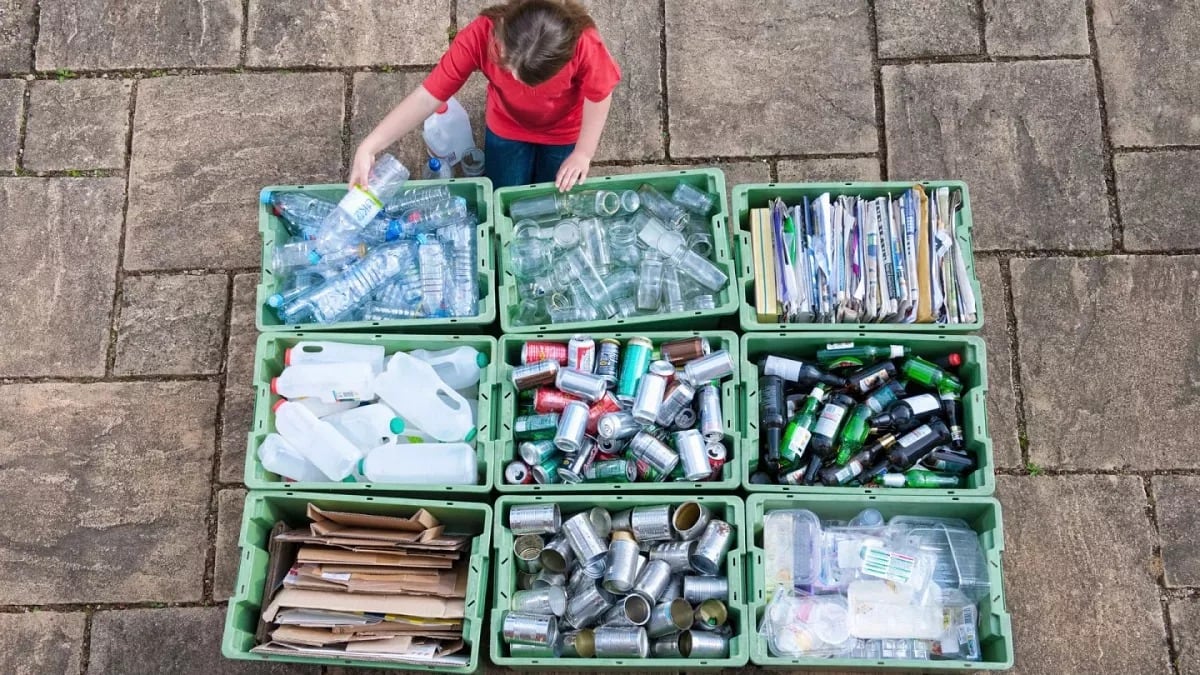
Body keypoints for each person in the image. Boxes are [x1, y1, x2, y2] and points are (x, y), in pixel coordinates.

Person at [349, 0, 621, 192]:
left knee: (549, 194)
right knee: (503, 190)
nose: (514, 79)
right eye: (509, 67)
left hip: (564, 131)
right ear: (501, 27)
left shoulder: (584, 43)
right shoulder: (479, 35)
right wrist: (369, 145)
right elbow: (427, 97)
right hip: (507, 126)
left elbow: (599, 95)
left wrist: (583, 153)